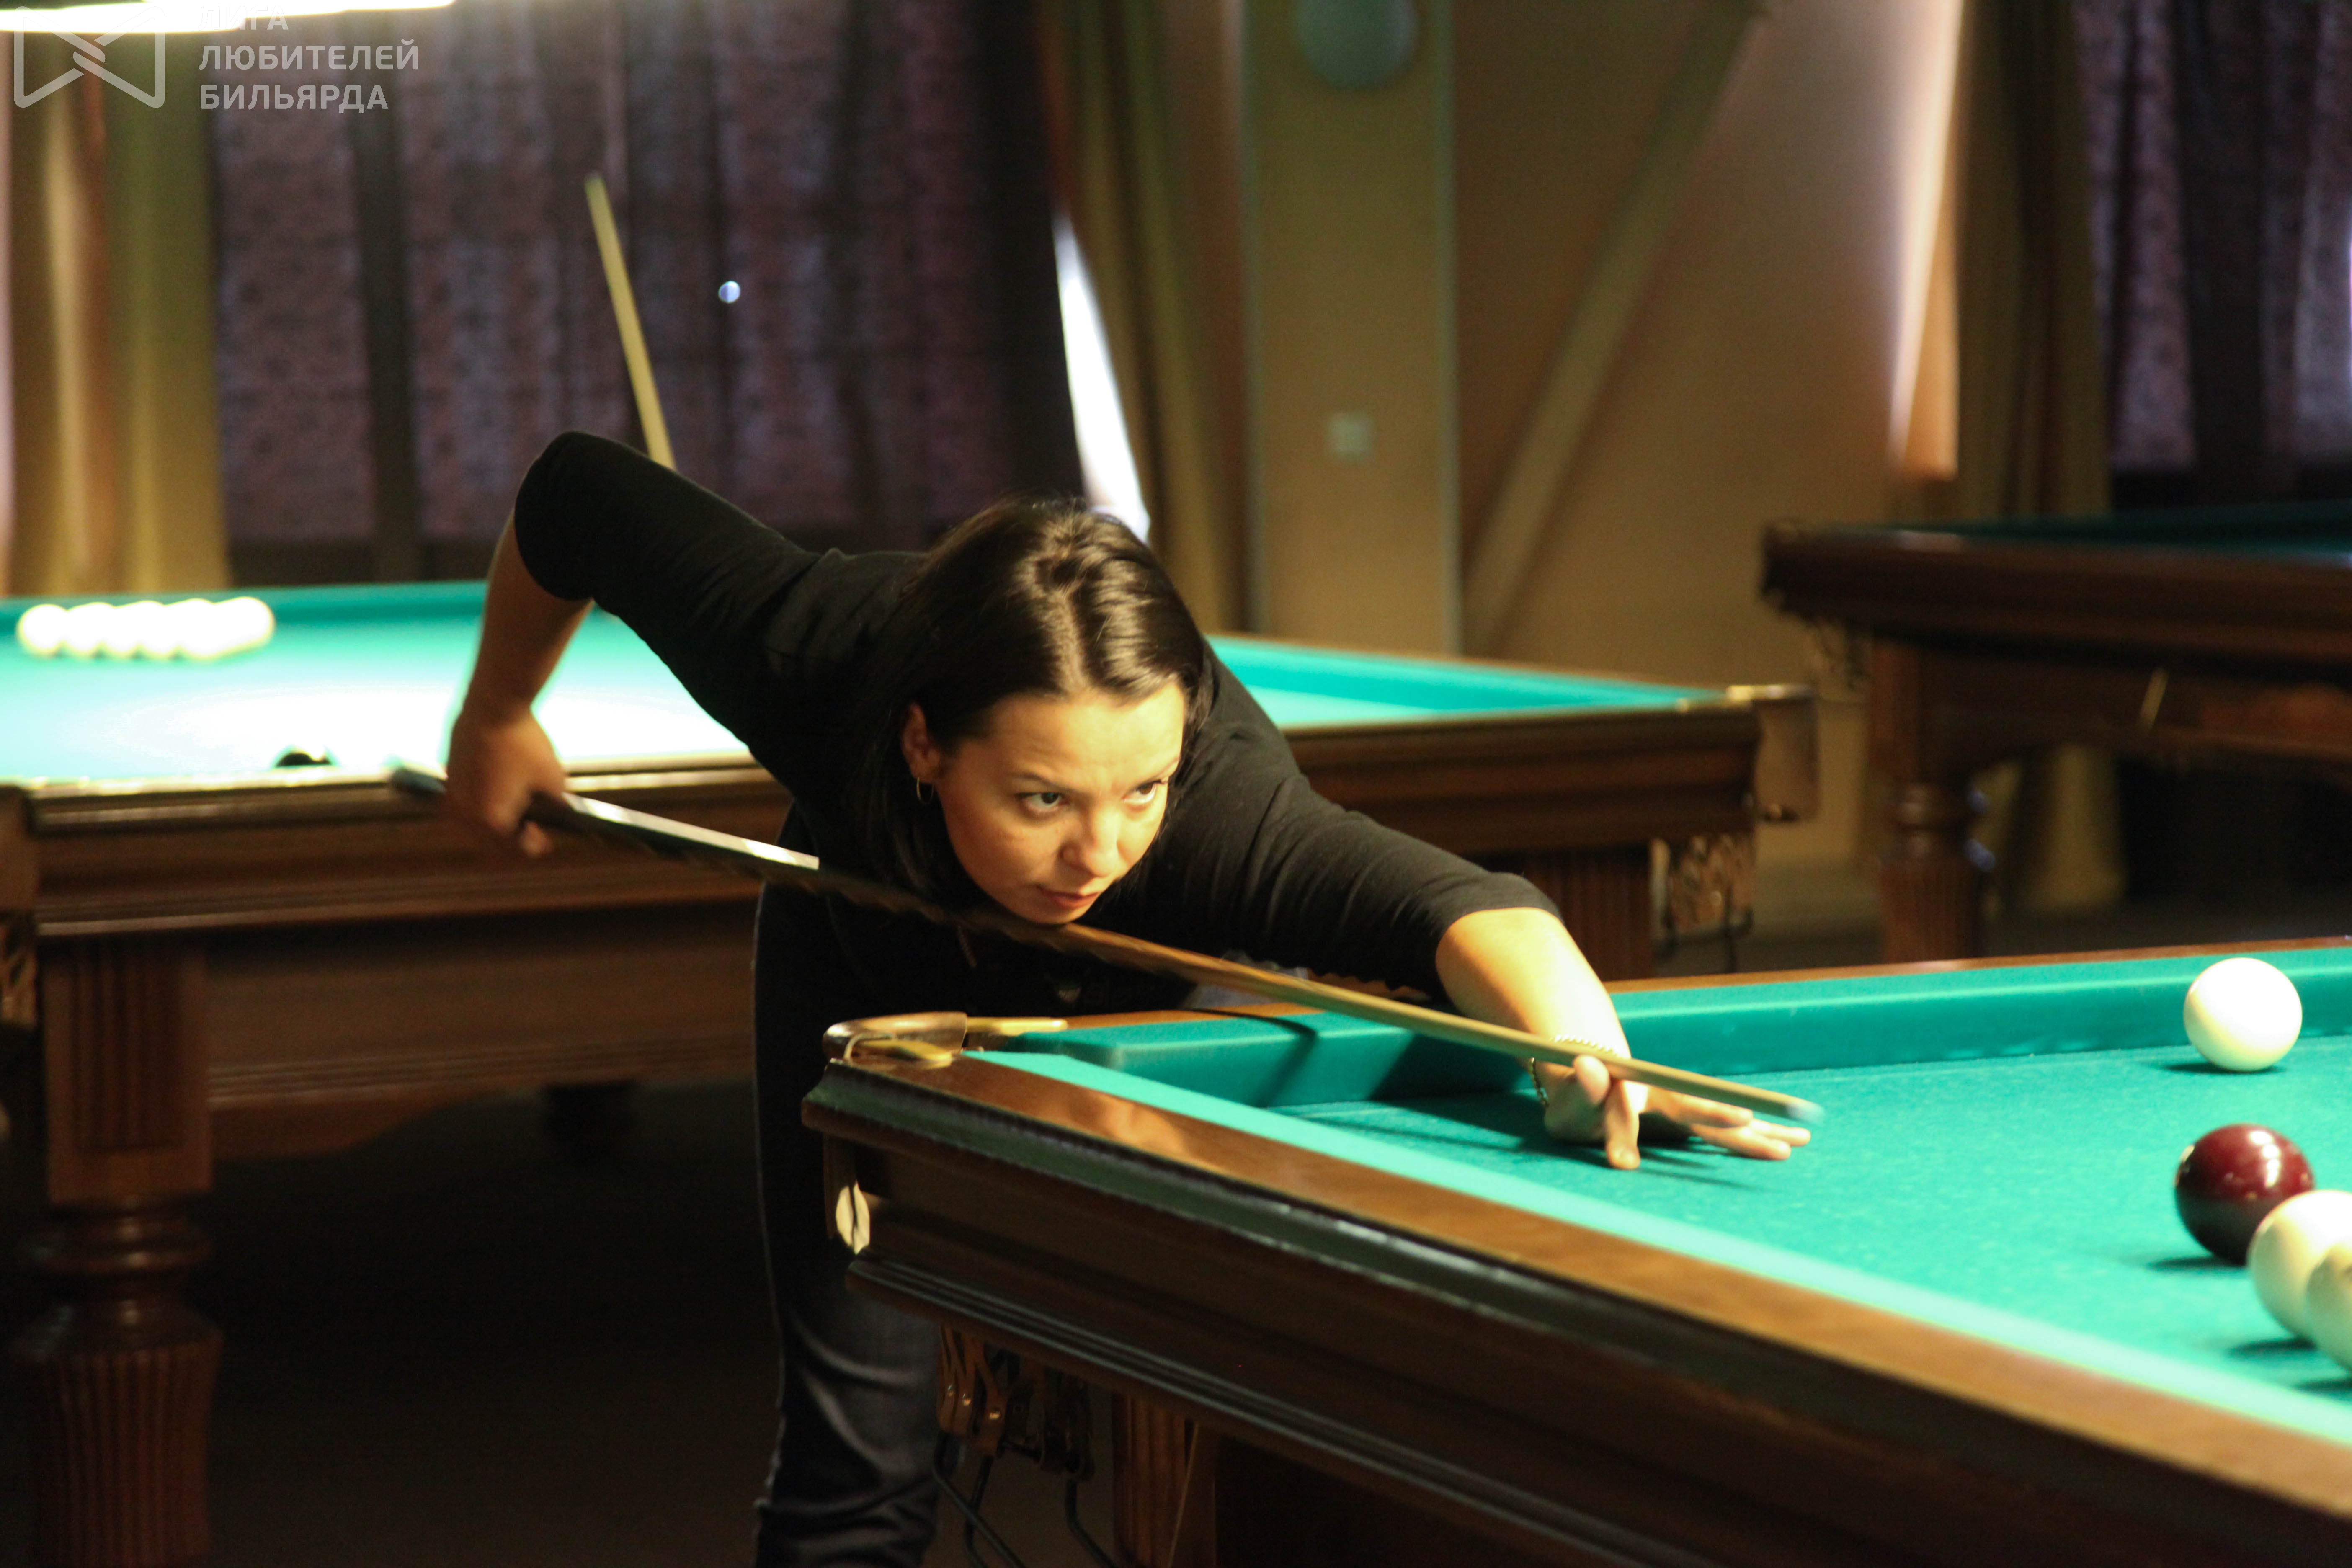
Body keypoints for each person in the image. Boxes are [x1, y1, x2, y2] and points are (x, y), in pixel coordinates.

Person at [441, 431, 1808, 1566]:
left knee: (1208, 1429)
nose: (1098, 852)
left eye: (1137, 789)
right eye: (1042, 798)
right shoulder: (817, 656)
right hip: (861, 957)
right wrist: (500, 712)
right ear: (924, 744)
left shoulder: (1217, 821)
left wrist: (1582, 1047)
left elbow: (1464, 905)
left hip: (1124, 1001)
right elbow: (575, 492)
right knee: (855, 1457)